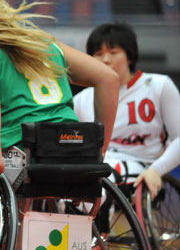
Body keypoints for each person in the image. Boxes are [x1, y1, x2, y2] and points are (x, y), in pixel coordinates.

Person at [0, 0, 119, 200]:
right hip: (76, 148)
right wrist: (99, 152)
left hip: (26, 151)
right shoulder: (45, 44)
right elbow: (109, 78)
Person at [73, 23, 180, 199]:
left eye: (113, 52)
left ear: (129, 57)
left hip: (142, 165)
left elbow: (178, 139)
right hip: (99, 165)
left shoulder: (159, 86)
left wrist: (156, 170)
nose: (105, 59)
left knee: (98, 188)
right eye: (98, 54)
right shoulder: (81, 99)